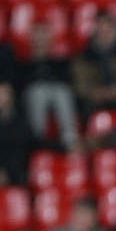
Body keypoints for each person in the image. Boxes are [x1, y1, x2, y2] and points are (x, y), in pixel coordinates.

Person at [17, 21, 80, 150]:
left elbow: (67, 82)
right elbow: (20, 87)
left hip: (57, 95)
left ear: (51, 39)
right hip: (33, 97)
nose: (40, 39)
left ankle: (70, 140)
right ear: (30, 39)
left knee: (62, 92)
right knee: (38, 91)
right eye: (37, 35)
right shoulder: (22, 65)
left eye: (44, 35)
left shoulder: (61, 63)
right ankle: (37, 140)